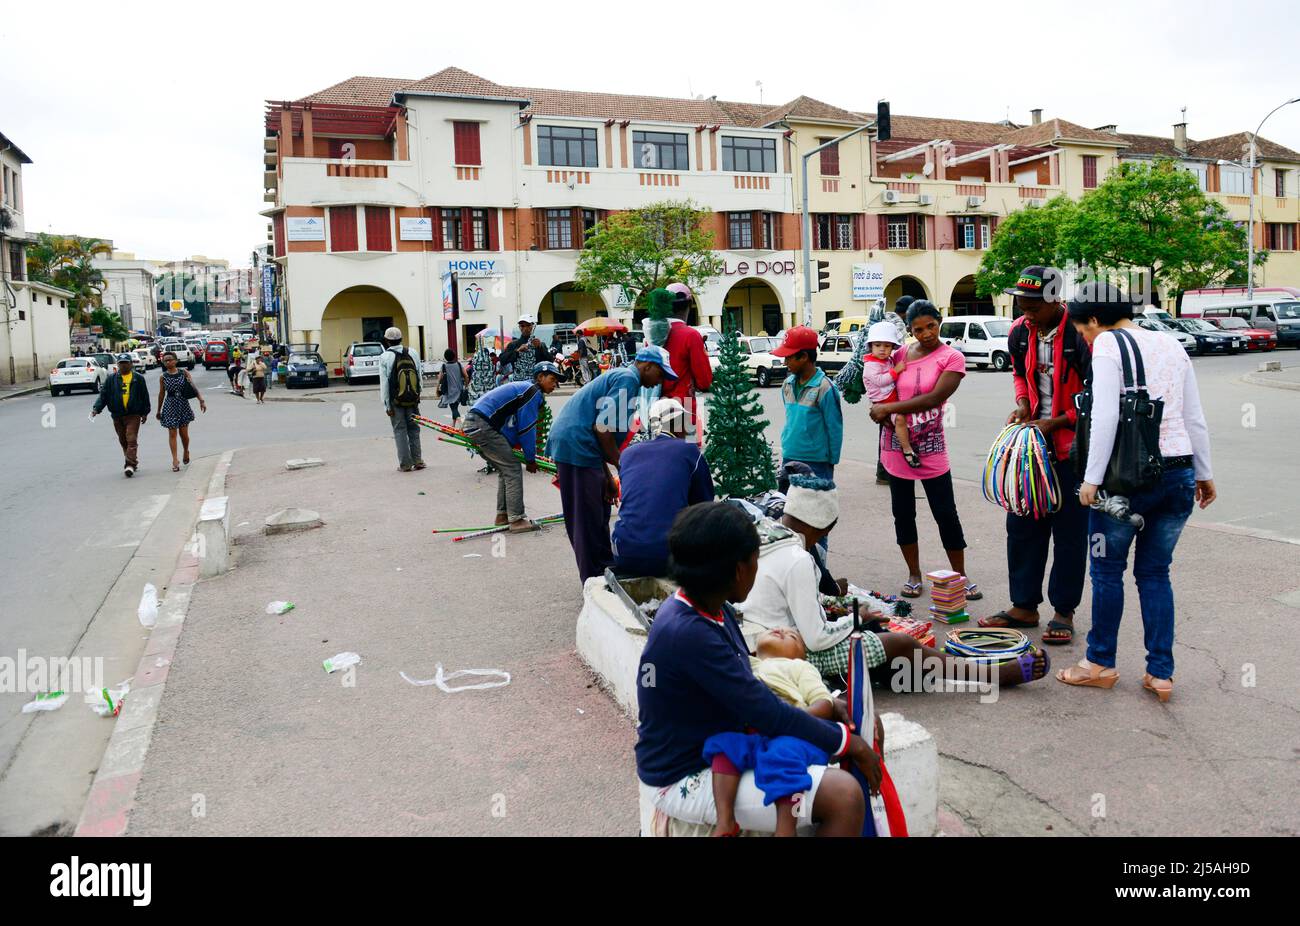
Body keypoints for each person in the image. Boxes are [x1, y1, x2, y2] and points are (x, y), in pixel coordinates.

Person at [635, 502, 881, 837]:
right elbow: (765, 713)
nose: (757, 567)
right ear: (739, 569)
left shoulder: (706, 609)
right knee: (844, 796)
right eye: (756, 559)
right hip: (683, 774)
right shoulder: (690, 633)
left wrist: (829, 707)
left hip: (714, 749)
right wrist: (848, 743)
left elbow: (749, 692)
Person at [1057, 284, 1215, 702]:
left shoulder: (1109, 343)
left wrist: (1091, 481)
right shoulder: (1170, 342)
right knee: (1155, 574)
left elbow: (1107, 414)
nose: (1086, 341)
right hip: (1179, 472)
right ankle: (1160, 674)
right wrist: (1205, 471)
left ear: (1094, 320)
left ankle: (1100, 664)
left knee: (1107, 572)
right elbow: (1193, 415)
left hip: (1124, 480)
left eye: (1082, 331)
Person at [981, 266, 1092, 644]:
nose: (1024, 311)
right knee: (1022, 529)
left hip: (1072, 451)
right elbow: (1018, 374)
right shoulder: (1019, 333)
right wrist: (1024, 402)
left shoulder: (1081, 336)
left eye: (1032, 305)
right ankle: (1024, 606)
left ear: (1054, 300)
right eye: (1020, 303)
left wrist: (1058, 421)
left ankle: (1064, 611)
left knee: (1070, 534)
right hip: (1032, 451)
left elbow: (1098, 399)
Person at [869, 300, 979, 601]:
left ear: (939, 321)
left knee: (946, 513)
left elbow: (935, 398)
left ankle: (960, 575)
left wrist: (887, 407)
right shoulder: (901, 353)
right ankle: (914, 574)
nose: (926, 333)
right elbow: (877, 377)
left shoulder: (952, 357)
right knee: (903, 515)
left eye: (931, 326)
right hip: (895, 446)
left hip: (931, 446)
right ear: (910, 330)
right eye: (918, 329)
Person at [546, 346, 676, 583]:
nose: (661, 381)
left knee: (599, 511)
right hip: (575, 445)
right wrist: (623, 466)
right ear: (647, 366)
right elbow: (602, 429)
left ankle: (605, 569)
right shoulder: (628, 379)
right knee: (586, 519)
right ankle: (593, 580)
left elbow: (601, 433)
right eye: (661, 374)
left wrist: (607, 478)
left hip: (583, 447)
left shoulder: (628, 380)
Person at [610, 398, 715, 577]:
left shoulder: (628, 453)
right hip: (668, 556)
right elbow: (704, 504)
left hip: (624, 552)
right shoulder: (688, 451)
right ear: (677, 424)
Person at [462, 362, 561, 533]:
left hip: (477, 422)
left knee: (505, 469)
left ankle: (502, 516)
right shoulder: (533, 393)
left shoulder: (525, 389)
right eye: (552, 380)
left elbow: (511, 426)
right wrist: (530, 459)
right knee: (513, 469)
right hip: (482, 424)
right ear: (540, 378)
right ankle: (516, 519)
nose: (554, 385)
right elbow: (526, 428)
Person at [772, 326, 843, 483]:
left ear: (803, 356)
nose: (785, 362)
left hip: (817, 462)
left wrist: (830, 462)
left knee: (815, 505)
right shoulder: (787, 385)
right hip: (789, 456)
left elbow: (835, 428)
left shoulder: (825, 388)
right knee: (789, 505)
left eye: (788, 357)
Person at [861, 320, 918, 469]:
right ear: (871, 346)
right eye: (878, 345)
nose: (882, 349)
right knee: (899, 419)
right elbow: (880, 381)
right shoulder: (870, 365)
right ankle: (907, 449)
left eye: (887, 346)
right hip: (883, 403)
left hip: (891, 399)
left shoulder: (888, 360)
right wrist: (896, 370)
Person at [659, 283, 713, 440]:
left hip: (658, 408)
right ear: (689, 305)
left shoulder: (652, 336)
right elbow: (705, 380)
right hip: (684, 408)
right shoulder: (691, 335)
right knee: (686, 458)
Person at [92, 353, 151, 478]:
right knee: (123, 440)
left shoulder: (138, 378)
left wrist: (145, 412)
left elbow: (144, 396)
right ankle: (133, 462)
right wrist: (96, 408)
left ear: (131, 364)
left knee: (131, 439)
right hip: (117, 415)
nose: (123, 365)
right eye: (121, 363)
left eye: (126, 363)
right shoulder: (111, 379)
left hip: (133, 414)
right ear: (118, 365)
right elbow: (104, 395)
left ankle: (129, 465)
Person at [378, 326, 425, 473]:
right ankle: (418, 460)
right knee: (414, 429)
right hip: (412, 398)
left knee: (400, 431)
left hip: (395, 401)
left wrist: (387, 405)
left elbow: (384, 382)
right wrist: (418, 394)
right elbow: (418, 374)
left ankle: (405, 464)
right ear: (401, 338)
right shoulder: (413, 352)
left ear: (386, 340)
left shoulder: (385, 357)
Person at [155, 350, 206, 472]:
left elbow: (193, 387)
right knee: (172, 433)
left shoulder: (184, 373)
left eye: (170, 359)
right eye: (165, 360)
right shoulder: (163, 377)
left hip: (183, 404)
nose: (168, 362)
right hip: (170, 405)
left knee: (184, 435)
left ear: (176, 361)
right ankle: (175, 460)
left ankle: (186, 450)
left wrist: (201, 400)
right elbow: (161, 394)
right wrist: (158, 410)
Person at [499, 313, 548, 383]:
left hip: (536, 384)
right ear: (519, 327)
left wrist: (540, 348)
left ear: (532, 326)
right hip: (518, 384)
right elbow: (502, 360)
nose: (525, 328)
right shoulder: (514, 344)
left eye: (528, 325)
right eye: (522, 326)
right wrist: (517, 351)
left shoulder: (539, 344)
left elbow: (549, 361)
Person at [435, 348, 467, 429]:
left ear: (445, 357)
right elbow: (466, 375)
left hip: (449, 392)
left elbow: (439, 379)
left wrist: (437, 389)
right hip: (459, 391)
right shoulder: (459, 364)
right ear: (454, 356)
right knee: (455, 407)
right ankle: (453, 425)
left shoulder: (444, 366)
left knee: (453, 408)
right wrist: (466, 386)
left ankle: (461, 424)